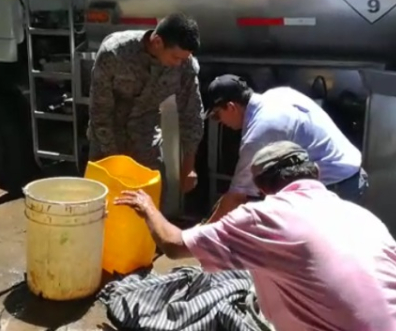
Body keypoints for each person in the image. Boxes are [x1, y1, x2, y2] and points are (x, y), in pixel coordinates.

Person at [114, 141, 396, 331]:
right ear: (317, 174)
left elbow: (174, 246)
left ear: (261, 188)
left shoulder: (264, 217)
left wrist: (147, 207)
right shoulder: (363, 217)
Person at [202, 74, 367, 221]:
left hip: (336, 186)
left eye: (217, 115)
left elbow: (236, 197)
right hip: (352, 175)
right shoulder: (278, 94)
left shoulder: (260, 131)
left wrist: (202, 232)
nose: (220, 122)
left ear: (231, 107)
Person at [88, 13, 204, 194]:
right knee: (104, 202)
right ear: (157, 42)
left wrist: (189, 166)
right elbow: (100, 111)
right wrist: (116, 165)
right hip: (107, 140)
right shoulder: (114, 53)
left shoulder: (184, 64)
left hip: (145, 137)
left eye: (184, 58)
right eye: (175, 57)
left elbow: (192, 114)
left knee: (151, 199)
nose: (179, 63)